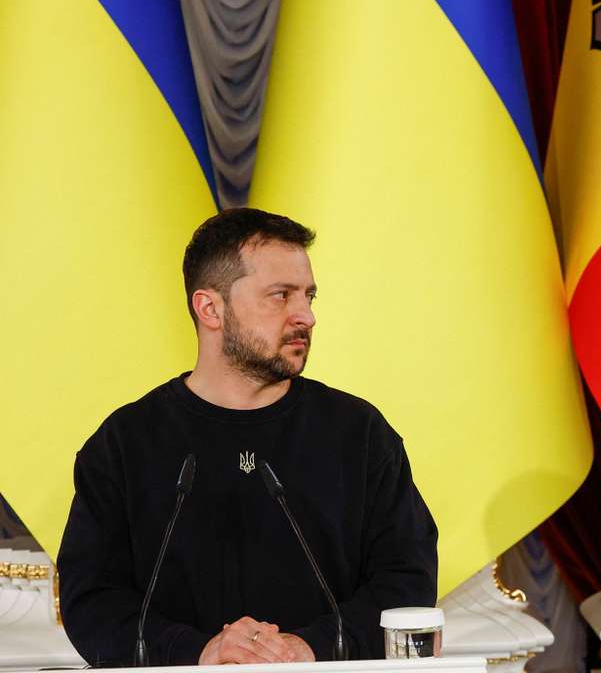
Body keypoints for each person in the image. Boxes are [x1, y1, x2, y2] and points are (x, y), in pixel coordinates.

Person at [58, 208, 438, 665]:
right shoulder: (124, 444)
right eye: (281, 296)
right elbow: (92, 600)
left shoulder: (359, 433)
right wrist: (197, 652)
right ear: (210, 308)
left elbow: (406, 581)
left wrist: (307, 648)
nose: (306, 316)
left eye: (309, 297)